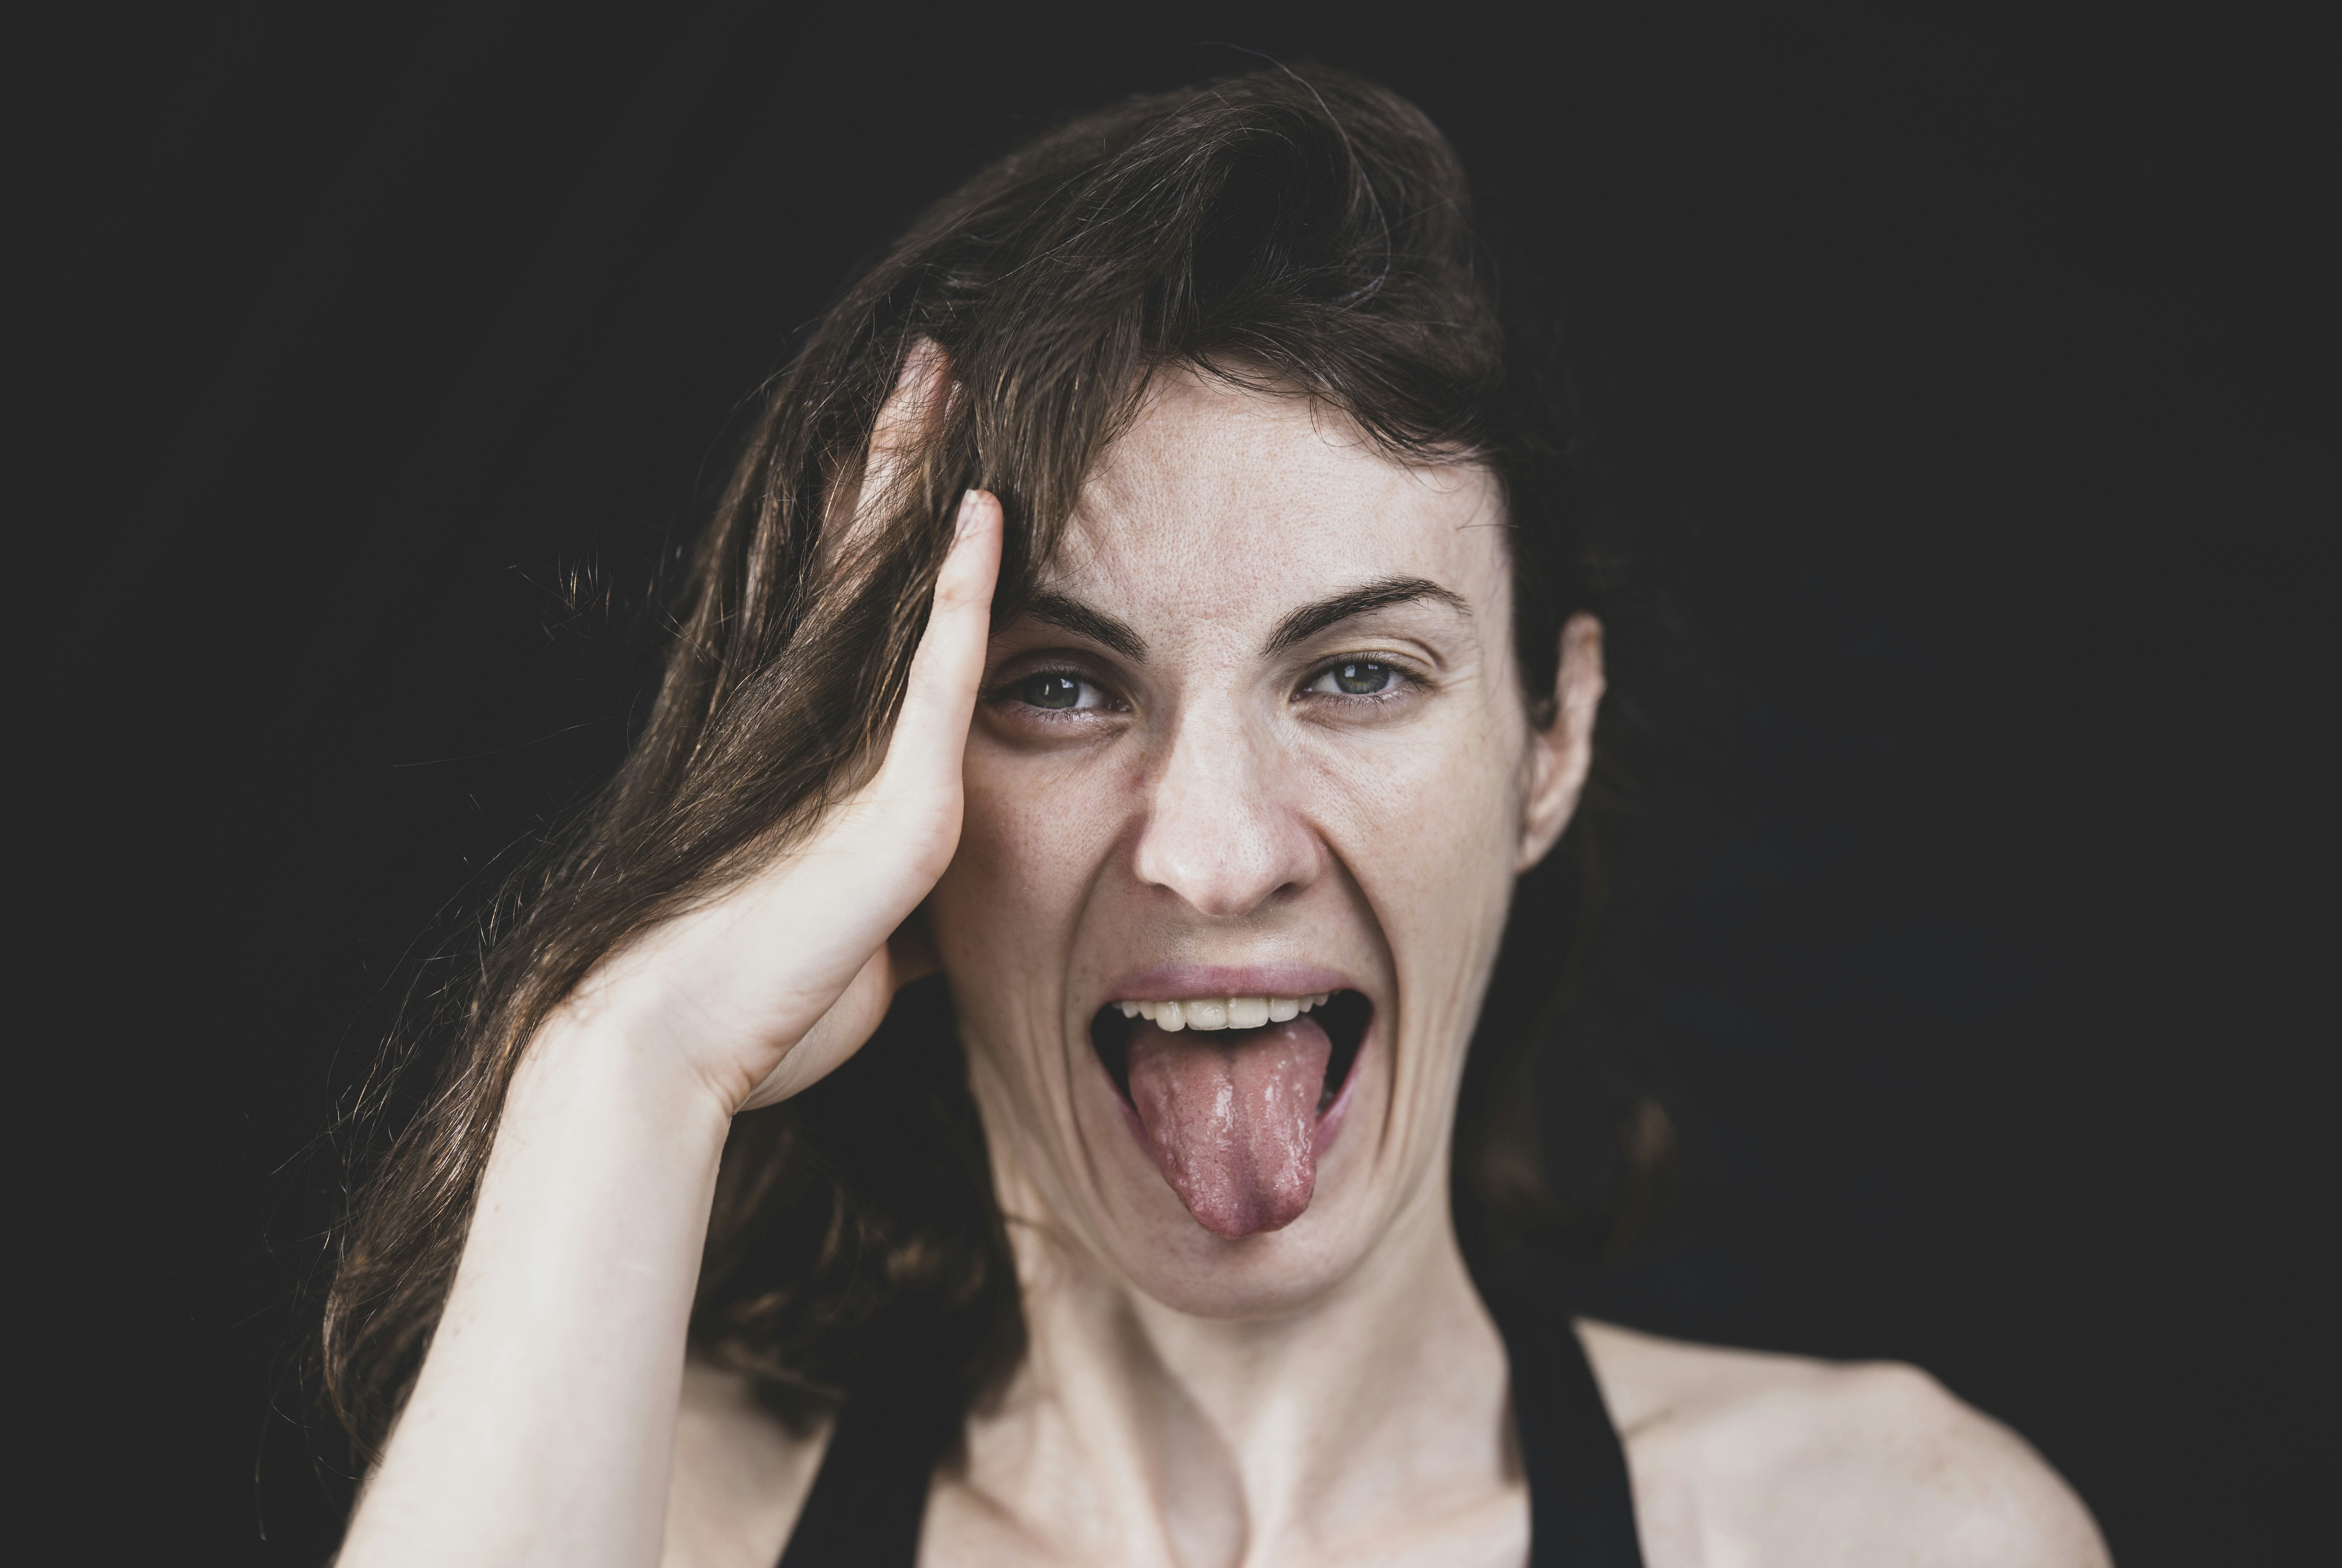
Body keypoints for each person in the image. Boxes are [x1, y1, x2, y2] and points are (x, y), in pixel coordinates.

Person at [322, 66, 2108, 1567]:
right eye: (1060, 686)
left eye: (1358, 676)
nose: (1219, 849)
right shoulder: (657, 1514)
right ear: (885, 787)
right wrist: (630, 1059)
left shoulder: (1887, 1528)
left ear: (1551, 740)